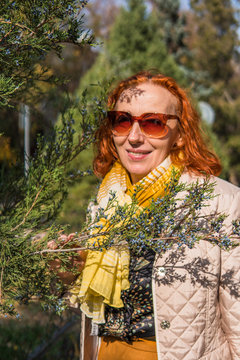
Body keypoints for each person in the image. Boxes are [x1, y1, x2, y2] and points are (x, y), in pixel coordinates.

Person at [66, 71, 240, 360]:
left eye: (153, 123)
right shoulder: (106, 201)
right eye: (122, 120)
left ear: (180, 133)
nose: (134, 137)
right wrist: (70, 272)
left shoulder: (223, 202)